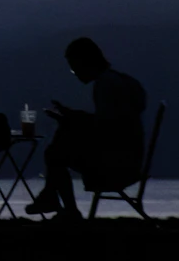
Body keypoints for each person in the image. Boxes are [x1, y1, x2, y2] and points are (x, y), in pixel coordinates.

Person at [26, 37, 146, 219]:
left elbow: (105, 128)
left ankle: (62, 204)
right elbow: (111, 123)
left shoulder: (105, 85)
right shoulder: (120, 80)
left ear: (85, 62)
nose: (74, 72)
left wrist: (72, 120)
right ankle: (52, 198)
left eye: (74, 67)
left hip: (116, 165)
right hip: (131, 159)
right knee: (62, 139)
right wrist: (73, 117)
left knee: (55, 151)